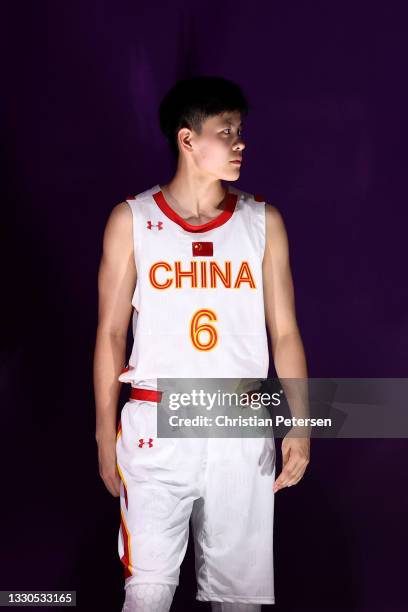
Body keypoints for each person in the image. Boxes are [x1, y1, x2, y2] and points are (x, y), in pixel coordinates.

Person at [94, 75, 310, 612]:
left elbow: (284, 332)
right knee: (145, 594)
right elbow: (111, 333)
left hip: (238, 423)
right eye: (227, 131)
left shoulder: (263, 221)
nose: (241, 143)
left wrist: (301, 426)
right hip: (156, 422)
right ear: (188, 140)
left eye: (241, 131)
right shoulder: (133, 219)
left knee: (238, 602)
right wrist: (102, 433)